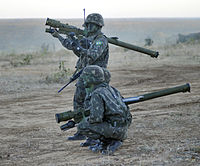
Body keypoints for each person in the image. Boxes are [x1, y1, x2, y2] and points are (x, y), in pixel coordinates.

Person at [51, 13, 109, 140]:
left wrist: (77, 45)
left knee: (91, 105)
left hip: (96, 77)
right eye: (86, 25)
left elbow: (92, 55)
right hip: (85, 75)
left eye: (89, 25)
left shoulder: (101, 40)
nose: (87, 27)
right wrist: (59, 37)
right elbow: (76, 50)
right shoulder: (89, 39)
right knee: (79, 102)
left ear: (97, 25)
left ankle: (92, 134)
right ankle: (82, 131)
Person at [77, 65, 132, 154]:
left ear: (91, 79)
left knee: (82, 126)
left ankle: (109, 142)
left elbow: (96, 118)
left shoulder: (97, 93)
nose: (83, 81)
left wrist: (83, 119)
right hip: (123, 128)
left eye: (85, 78)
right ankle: (110, 140)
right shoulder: (112, 89)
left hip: (116, 130)